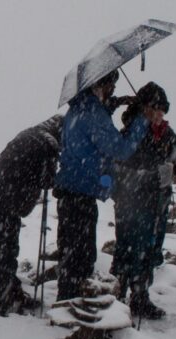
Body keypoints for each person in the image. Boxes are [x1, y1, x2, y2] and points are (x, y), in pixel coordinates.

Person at [111, 82, 176, 319]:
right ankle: (122, 294)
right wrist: (152, 176)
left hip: (156, 203)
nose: (158, 115)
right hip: (131, 203)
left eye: (162, 111)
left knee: (149, 249)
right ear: (143, 108)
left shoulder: (167, 135)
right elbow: (118, 170)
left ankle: (139, 296)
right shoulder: (130, 134)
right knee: (130, 247)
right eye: (154, 109)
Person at [53, 70, 149, 302]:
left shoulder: (77, 109)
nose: (113, 89)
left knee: (70, 253)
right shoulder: (93, 114)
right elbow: (120, 149)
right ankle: (73, 308)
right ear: (99, 85)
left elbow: (91, 131)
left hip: (69, 189)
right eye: (111, 86)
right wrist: (141, 120)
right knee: (82, 256)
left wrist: (114, 104)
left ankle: (66, 301)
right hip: (81, 193)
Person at [0, 115, 62, 315]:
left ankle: (8, 290)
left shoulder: (30, 134)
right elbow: (48, 181)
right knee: (7, 248)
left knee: (4, 246)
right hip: (6, 200)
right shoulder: (48, 144)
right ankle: (5, 300)